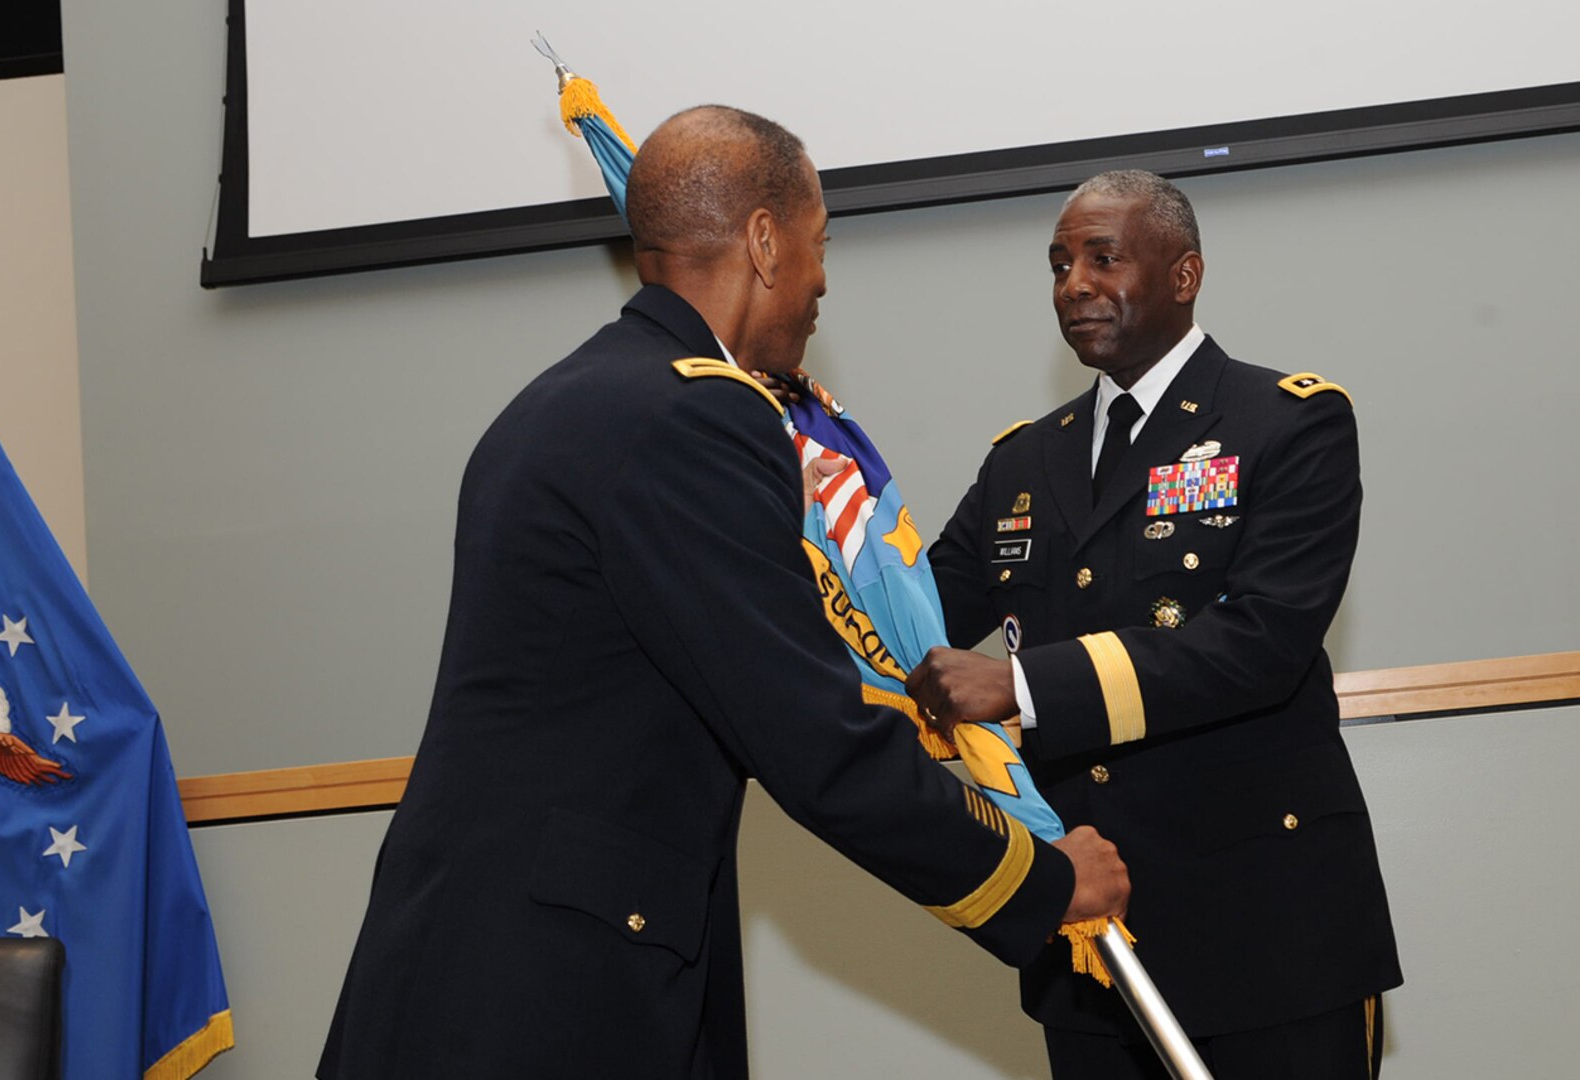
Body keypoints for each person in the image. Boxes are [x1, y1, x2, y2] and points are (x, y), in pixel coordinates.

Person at [316, 107, 1129, 1080]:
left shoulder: (556, 406)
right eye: (819, 244)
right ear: (762, 241)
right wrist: (1041, 883)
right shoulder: (696, 419)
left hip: (474, 966)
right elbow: (815, 740)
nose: (824, 280)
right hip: (551, 997)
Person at [907, 170, 1402, 1079]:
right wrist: (821, 526)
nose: (1073, 285)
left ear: (1185, 275)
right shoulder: (1022, 459)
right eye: (1058, 265)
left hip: (1269, 931)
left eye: (1103, 258)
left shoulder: (1289, 423)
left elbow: (1261, 643)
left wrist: (1020, 686)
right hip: (1097, 940)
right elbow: (914, 614)